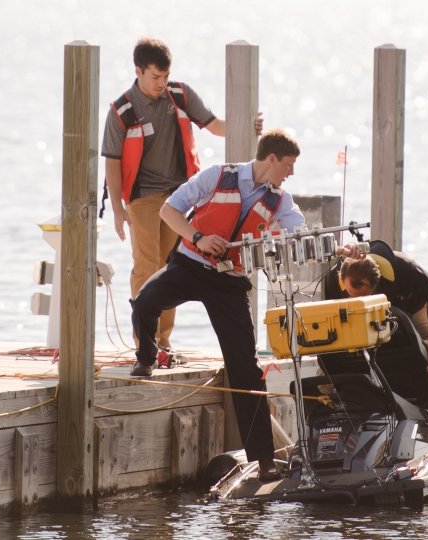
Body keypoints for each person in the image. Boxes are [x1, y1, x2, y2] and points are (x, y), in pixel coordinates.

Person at [129, 129, 303, 481]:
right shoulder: (217, 175)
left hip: (229, 283)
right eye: (289, 164)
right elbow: (168, 209)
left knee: (246, 369)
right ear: (271, 159)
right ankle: (146, 357)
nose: (291, 172)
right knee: (145, 303)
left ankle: (264, 461)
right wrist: (198, 237)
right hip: (190, 264)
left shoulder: (281, 200)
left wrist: (332, 246)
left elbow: (301, 230)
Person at [102, 36, 262, 355]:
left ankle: (163, 340)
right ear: (138, 71)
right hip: (143, 198)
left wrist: (247, 126)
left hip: (179, 196)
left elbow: (215, 125)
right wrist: (119, 210)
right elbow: (112, 162)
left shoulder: (180, 94)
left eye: (164, 76)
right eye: (154, 77)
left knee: (170, 267)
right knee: (146, 265)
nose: (161, 83)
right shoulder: (123, 110)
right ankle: (143, 342)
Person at [326, 241, 428, 438]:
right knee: (332, 369)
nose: (354, 296)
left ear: (375, 284)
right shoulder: (333, 281)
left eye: (362, 294)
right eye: (350, 294)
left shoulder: (405, 268)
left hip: (416, 311)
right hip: (359, 317)